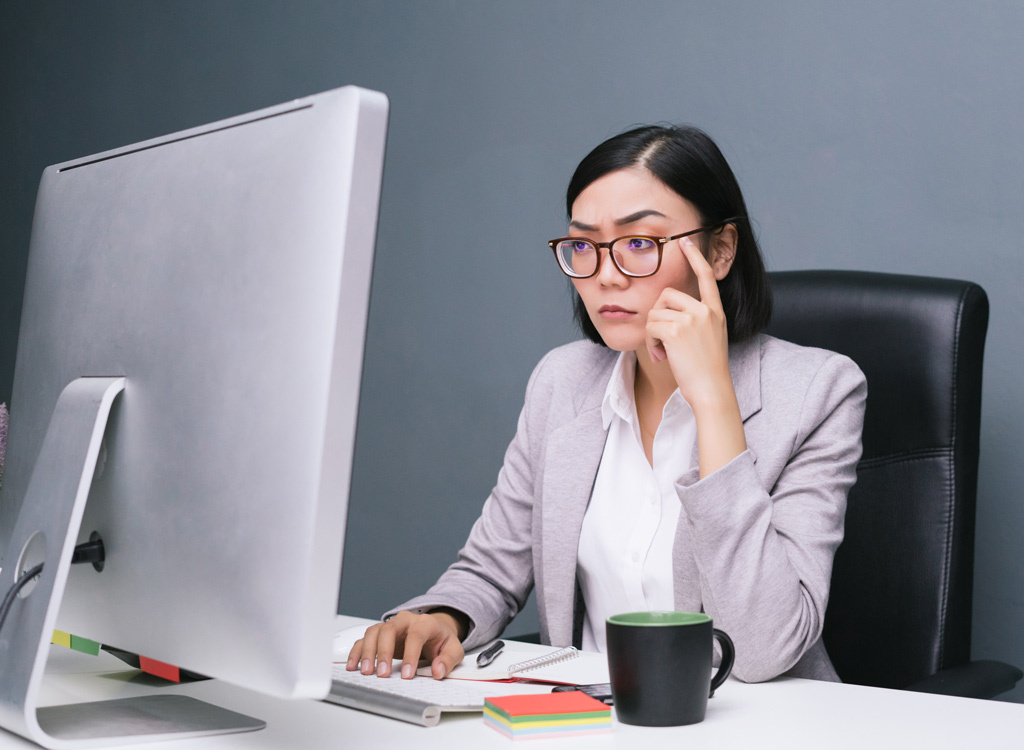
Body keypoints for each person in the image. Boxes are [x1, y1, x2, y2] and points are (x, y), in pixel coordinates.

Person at [346, 125, 866, 684]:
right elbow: (491, 572)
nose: (606, 277)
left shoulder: (819, 390)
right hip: (589, 725)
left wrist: (714, 399)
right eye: (584, 246)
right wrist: (443, 615)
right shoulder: (562, 381)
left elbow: (766, 649)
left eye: (640, 243)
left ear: (719, 251)